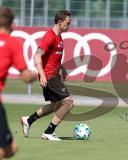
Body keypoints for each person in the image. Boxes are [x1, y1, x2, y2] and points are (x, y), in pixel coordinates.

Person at [21, 10, 74, 141]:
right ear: (60, 22)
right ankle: (49, 132)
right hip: (49, 76)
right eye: (68, 23)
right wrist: (42, 75)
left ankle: (29, 120)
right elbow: (37, 55)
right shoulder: (49, 36)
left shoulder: (59, 36)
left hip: (53, 75)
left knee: (55, 105)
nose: (69, 25)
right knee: (68, 102)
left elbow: (53, 58)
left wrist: (62, 69)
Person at [0, 7, 36, 159]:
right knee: (7, 150)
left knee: (10, 148)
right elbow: (26, 77)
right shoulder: (12, 43)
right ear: (12, 25)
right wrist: (38, 73)